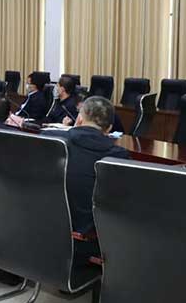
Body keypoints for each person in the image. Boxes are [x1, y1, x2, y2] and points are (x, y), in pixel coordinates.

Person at [50, 97, 129, 266]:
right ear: (109, 128)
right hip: (87, 241)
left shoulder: (51, 139)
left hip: (44, 231)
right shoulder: (118, 156)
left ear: (79, 119)